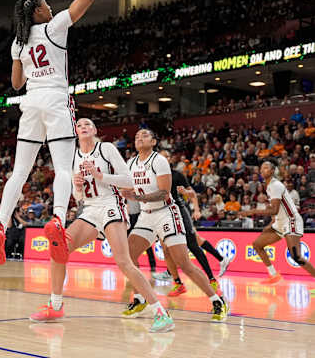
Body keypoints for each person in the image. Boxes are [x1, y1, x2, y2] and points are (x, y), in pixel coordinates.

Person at [0, 0, 111, 265]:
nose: (51, 8)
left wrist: (20, 60)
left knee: (19, 171)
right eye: (46, 5)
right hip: (55, 99)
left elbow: (15, 84)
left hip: (30, 103)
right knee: (63, 167)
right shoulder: (54, 28)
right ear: (38, 11)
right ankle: (57, 218)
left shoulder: (18, 41)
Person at [29, 118, 174, 332]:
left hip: (112, 205)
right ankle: (56, 305)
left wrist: (100, 176)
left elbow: (129, 180)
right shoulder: (74, 157)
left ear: (95, 130)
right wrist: (77, 187)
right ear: (76, 132)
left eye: (88, 124)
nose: (83, 126)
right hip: (90, 209)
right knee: (58, 250)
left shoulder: (106, 148)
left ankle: (160, 312)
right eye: (79, 125)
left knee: (124, 262)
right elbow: (78, 196)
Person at [120, 129, 229, 322]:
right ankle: (139, 298)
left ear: (153, 141)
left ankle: (217, 299)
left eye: (144, 135)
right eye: (136, 136)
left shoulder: (159, 161)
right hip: (146, 215)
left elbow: (163, 193)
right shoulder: (131, 163)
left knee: (183, 263)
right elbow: (128, 187)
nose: (139, 138)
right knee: (128, 255)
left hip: (166, 213)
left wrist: (136, 196)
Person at [154, 150, 229, 296]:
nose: (163, 159)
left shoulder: (177, 175)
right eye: (160, 157)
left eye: (166, 156)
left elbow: (192, 194)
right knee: (166, 250)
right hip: (162, 214)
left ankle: (212, 279)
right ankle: (177, 283)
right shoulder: (153, 176)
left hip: (180, 212)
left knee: (193, 244)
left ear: (170, 159)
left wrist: (196, 209)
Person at [242, 160, 315, 283]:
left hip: (291, 220)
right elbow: (276, 209)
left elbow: (274, 210)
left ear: (272, 171)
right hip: (280, 222)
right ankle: (273, 274)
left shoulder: (275, 185)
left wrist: (252, 211)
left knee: (296, 256)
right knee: (257, 245)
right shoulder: (268, 185)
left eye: (266, 168)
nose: (262, 170)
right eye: (261, 168)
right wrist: (271, 224)